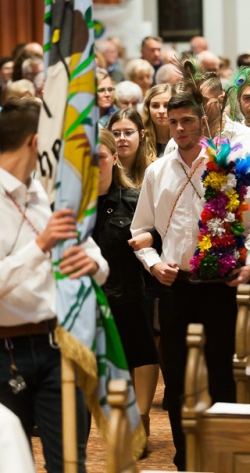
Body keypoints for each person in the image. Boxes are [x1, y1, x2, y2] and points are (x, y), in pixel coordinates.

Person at [130, 91, 250, 470]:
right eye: (172, 122)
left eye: (187, 121)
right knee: (175, 380)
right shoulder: (157, 171)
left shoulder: (228, 166)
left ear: (201, 122)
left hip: (220, 287)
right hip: (176, 286)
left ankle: (224, 454)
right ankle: (186, 459)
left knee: (222, 374)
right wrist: (153, 264)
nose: (179, 128)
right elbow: (140, 229)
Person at [0, 98, 109, 472]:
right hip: (3, 353)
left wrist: (92, 263)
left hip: (55, 345)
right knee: (10, 464)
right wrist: (41, 246)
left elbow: (98, 260)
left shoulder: (50, 192)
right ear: (36, 142)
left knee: (68, 463)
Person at [92, 129, 158, 450]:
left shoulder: (133, 200)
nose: (93, 165)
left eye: (100, 158)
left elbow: (157, 235)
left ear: (114, 158)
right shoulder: (74, 210)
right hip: (90, 303)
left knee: (141, 354)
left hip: (129, 296)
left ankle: (141, 420)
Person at [141, 83, 174, 158]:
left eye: (166, 106)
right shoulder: (140, 139)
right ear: (148, 108)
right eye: (155, 106)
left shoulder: (184, 138)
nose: (161, 111)